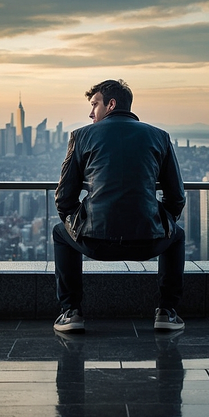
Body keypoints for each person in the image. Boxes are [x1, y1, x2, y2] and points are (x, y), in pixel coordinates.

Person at [53, 79, 186, 332]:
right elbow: (176, 197)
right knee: (177, 236)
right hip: (148, 240)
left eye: (94, 105)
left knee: (60, 233)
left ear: (111, 105)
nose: (90, 113)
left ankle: (71, 313)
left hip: (94, 241)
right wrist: (162, 222)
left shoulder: (81, 136)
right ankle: (167, 313)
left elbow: (63, 198)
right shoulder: (160, 136)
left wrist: (77, 222)